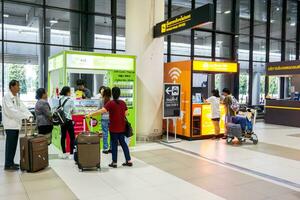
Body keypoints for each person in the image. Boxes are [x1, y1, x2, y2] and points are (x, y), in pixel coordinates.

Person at [88, 87, 132, 168]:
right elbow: (126, 113)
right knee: (123, 144)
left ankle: (114, 163)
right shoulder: (123, 103)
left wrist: (90, 114)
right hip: (122, 127)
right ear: (119, 94)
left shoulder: (110, 103)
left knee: (114, 144)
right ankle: (129, 161)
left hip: (114, 127)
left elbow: (101, 111)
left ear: (112, 94)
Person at [2, 80, 33, 170]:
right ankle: (8, 164)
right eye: (17, 86)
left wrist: (29, 115)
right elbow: (11, 111)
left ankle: (11, 162)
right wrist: (25, 116)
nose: (19, 87)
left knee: (14, 145)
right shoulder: (7, 97)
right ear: (12, 87)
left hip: (16, 125)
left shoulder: (16, 97)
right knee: (10, 145)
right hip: (10, 125)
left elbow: (22, 107)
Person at [59, 86, 75, 159]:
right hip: (68, 120)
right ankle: (71, 154)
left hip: (62, 120)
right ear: (68, 92)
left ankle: (64, 153)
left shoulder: (60, 99)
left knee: (63, 136)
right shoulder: (70, 100)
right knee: (72, 137)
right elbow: (74, 111)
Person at [100, 87, 112, 154]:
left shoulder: (101, 100)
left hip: (104, 119)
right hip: (111, 119)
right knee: (112, 134)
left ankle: (105, 149)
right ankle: (111, 148)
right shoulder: (112, 100)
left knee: (105, 134)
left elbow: (99, 110)